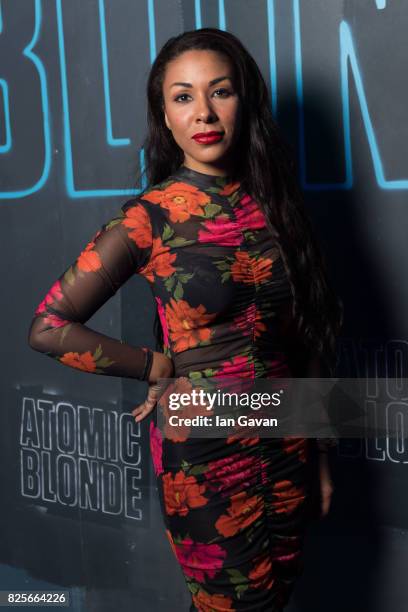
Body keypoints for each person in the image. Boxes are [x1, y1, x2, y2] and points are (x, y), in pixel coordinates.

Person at [28, 28, 343, 612]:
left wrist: (321, 455)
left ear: (244, 101)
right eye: (182, 97)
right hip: (204, 450)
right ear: (165, 118)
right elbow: (49, 326)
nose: (203, 112)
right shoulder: (151, 217)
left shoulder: (275, 203)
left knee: (280, 598)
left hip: (286, 437)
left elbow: (306, 337)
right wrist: (156, 365)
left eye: (219, 91)